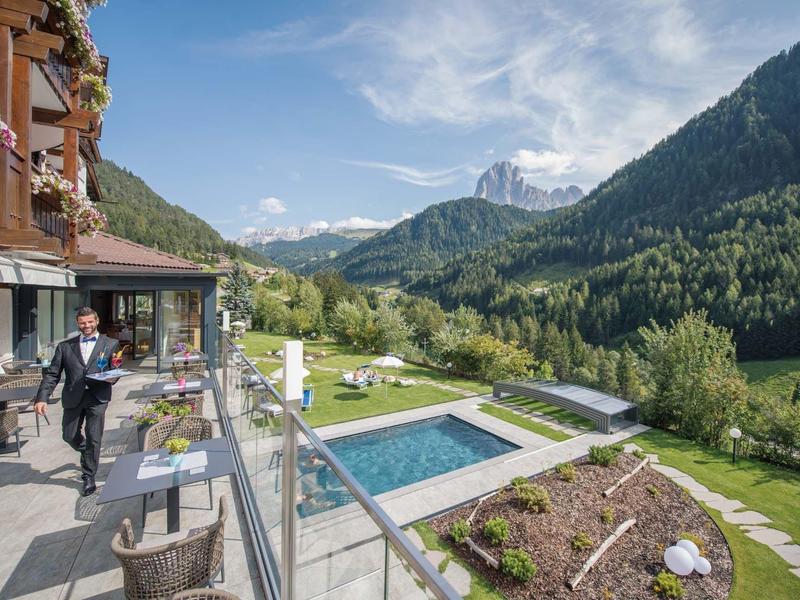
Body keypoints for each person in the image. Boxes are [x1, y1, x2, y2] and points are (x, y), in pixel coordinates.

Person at [34, 307, 120, 496]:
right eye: (83, 323)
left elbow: (114, 369)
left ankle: (88, 476)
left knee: (94, 436)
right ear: (78, 323)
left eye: (90, 322)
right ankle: (87, 452)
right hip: (73, 396)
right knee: (69, 435)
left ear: (96, 321)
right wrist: (42, 398)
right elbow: (52, 375)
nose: (86, 325)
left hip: (98, 397)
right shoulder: (65, 347)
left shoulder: (110, 343)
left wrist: (113, 377)